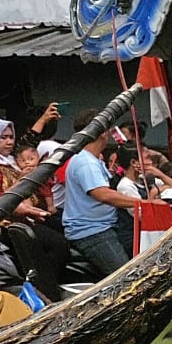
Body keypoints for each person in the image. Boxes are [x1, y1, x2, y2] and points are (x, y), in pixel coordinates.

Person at [63, 113, 143, 277]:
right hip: (93, 232)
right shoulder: (86, 162)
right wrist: (142, 203)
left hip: (104, 226)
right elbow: (103, 195)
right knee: (127, 279)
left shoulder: (92, 159)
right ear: (102, 132)